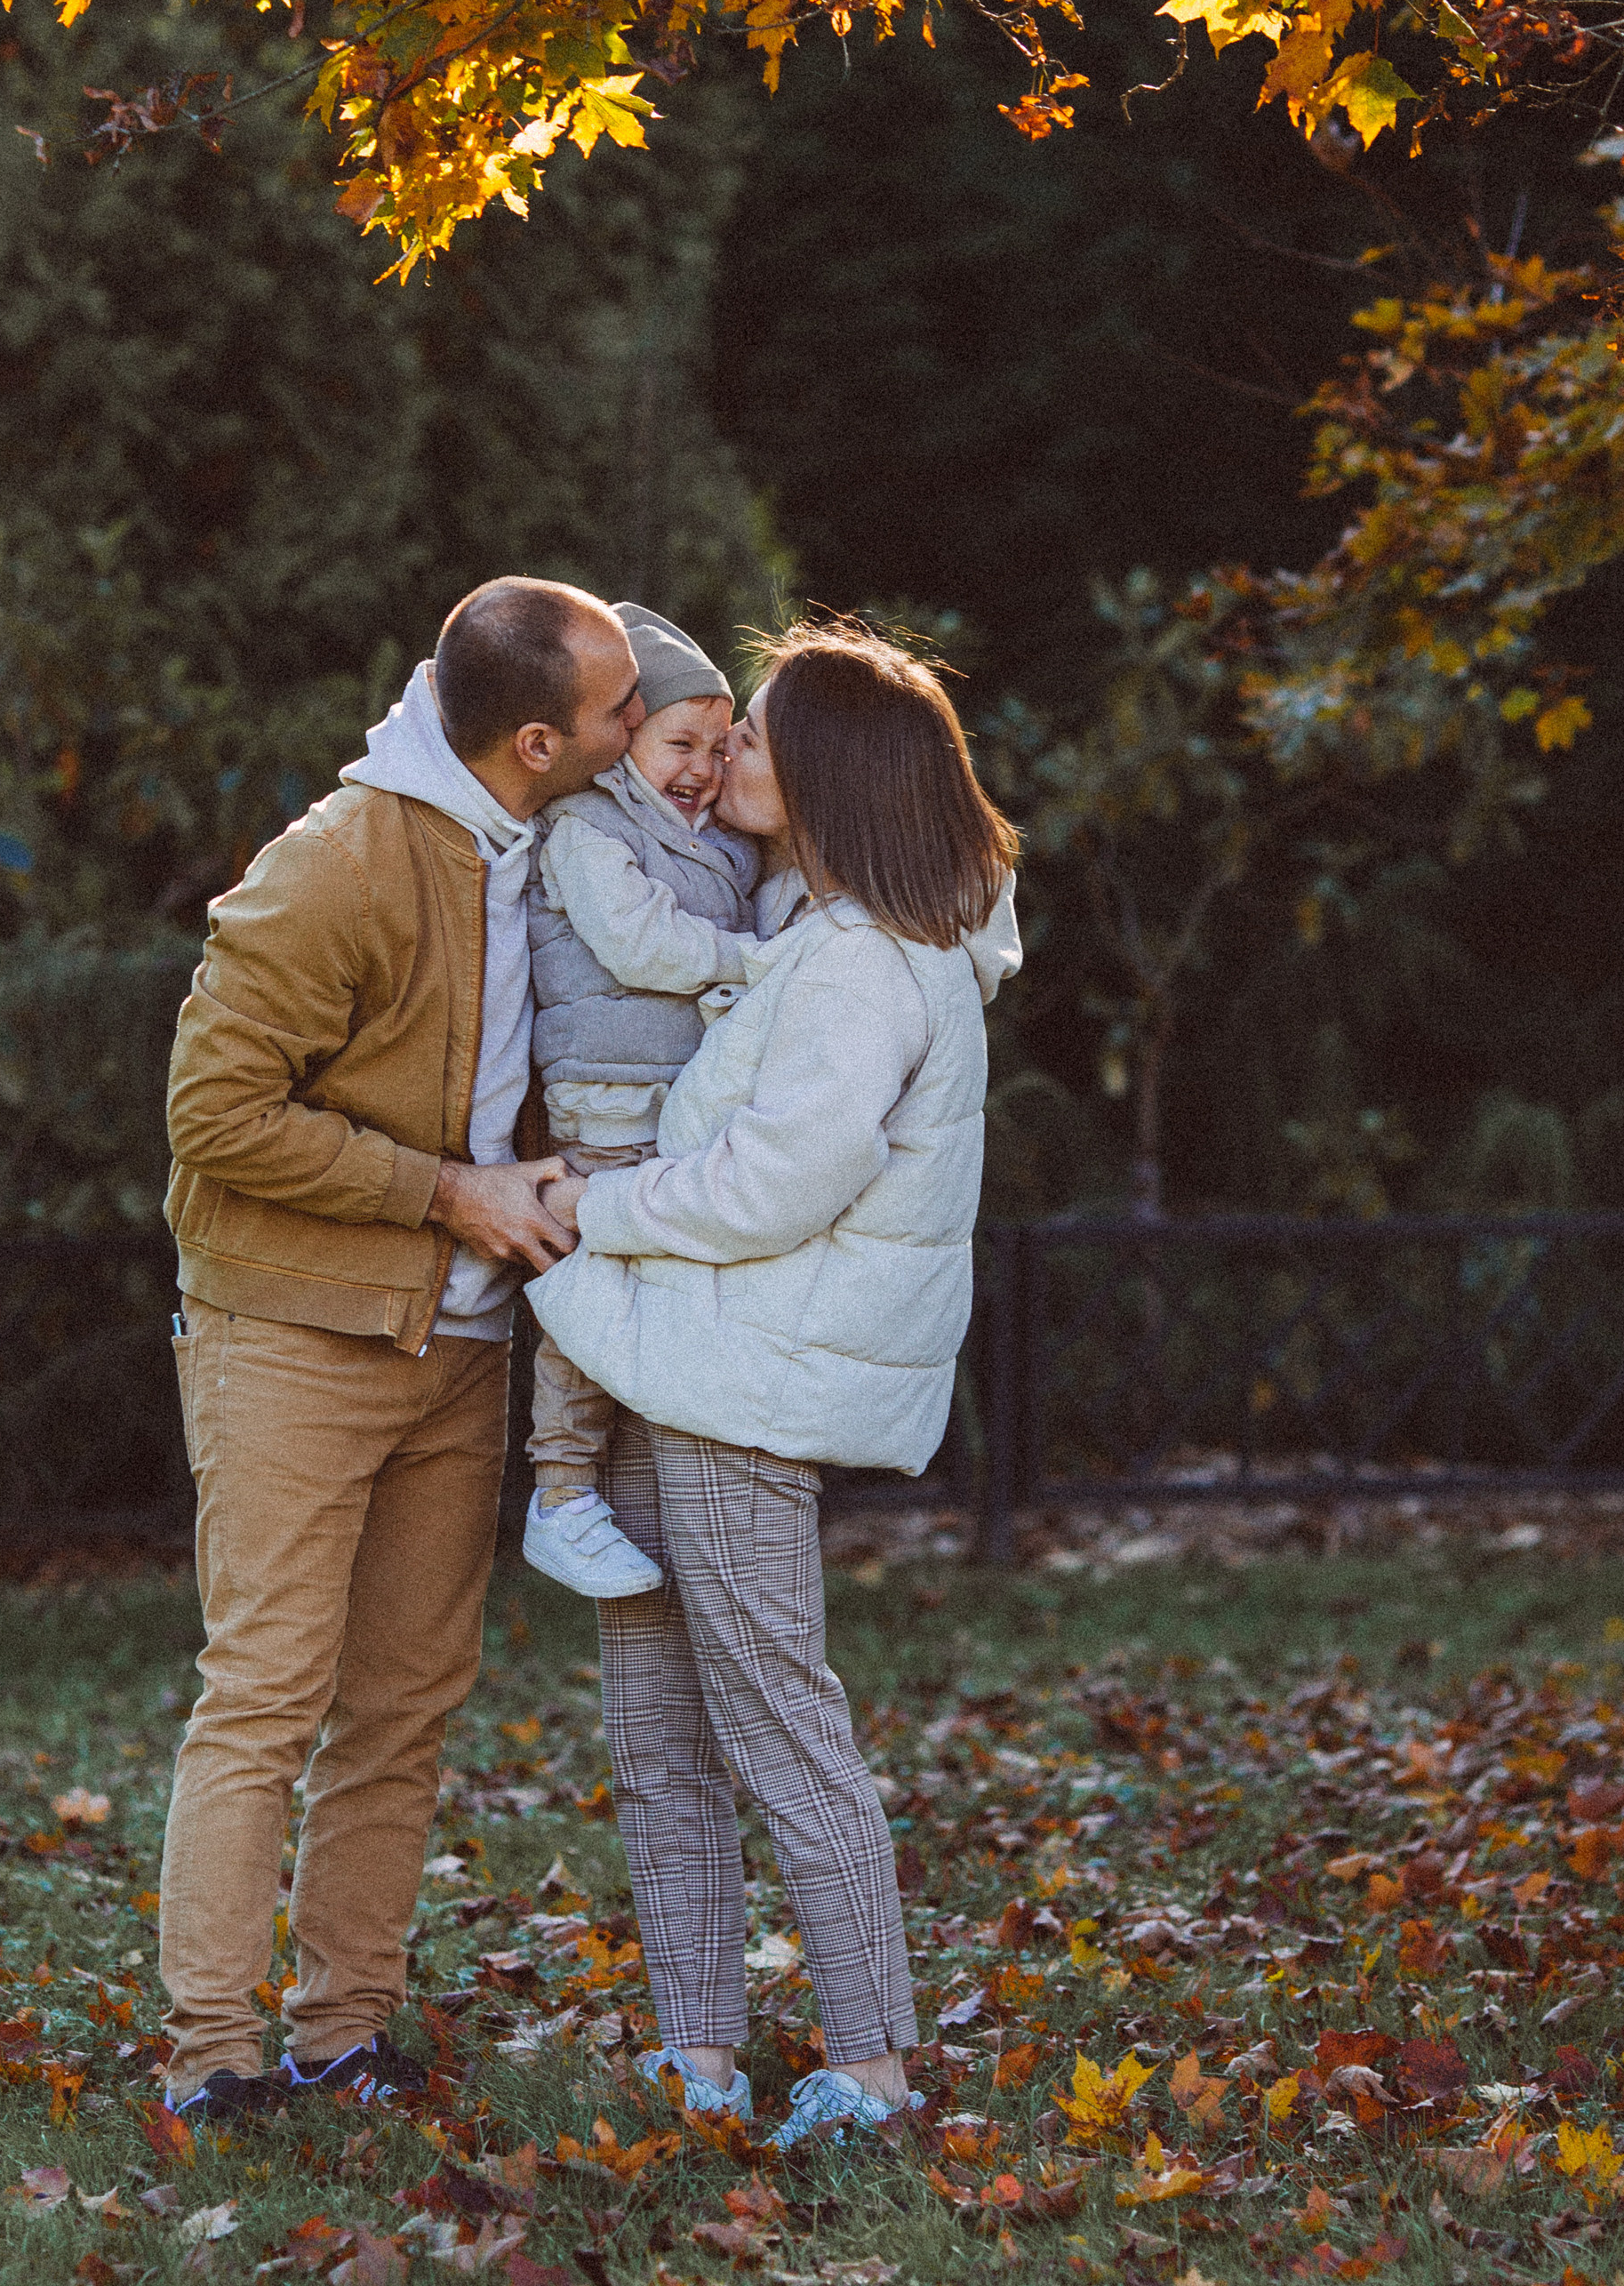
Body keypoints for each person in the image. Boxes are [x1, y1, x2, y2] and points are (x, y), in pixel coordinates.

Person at [530, 620, 1021, 2150]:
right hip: (669, 1352)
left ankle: (874, 2064)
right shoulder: (812, 935)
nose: (722, 751)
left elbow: (771, 1186)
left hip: (744, 1385)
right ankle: (703, 2053)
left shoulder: (874, 966)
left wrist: (588, 1211)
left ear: (826, 771)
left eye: (752, 734)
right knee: (658, 1731)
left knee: (779, 1724)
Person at [152, 578, 636, 2130]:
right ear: (542, 737)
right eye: (623, 709)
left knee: (405, 1705)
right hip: (296, 1335)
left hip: (467, 1346)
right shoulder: (340, 861)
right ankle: (211, 2055)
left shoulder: (552, 847)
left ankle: (345, 2031)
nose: (642, 732)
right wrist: (449, 1195)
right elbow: (213, 1119)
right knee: (267, 1695)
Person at [518, 603, 759, 1600]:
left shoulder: (722, 846)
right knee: (594, 1291)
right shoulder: (585, 828)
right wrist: (754, 964)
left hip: (685, 1111)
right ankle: (562, 1492)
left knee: (670, 1291)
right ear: (626, 743)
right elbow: (639, 946)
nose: (701, 766)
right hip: (608, 1104)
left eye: (720, 744)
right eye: (678, 742)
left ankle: (664, 1473)